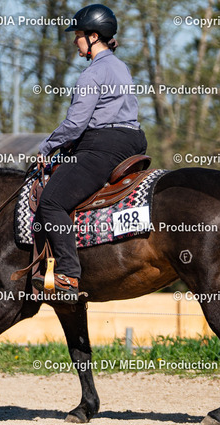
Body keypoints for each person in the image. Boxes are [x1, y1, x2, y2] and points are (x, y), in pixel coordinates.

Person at [32, 4, 147, 301]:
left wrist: (47, 147)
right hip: (133, 141)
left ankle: (68, 274)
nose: (75, 41)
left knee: (52, 202)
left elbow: (75, 124)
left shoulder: (92, 74)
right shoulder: (121, 67)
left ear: (93, 37)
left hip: (103, 145)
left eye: (78, 35)